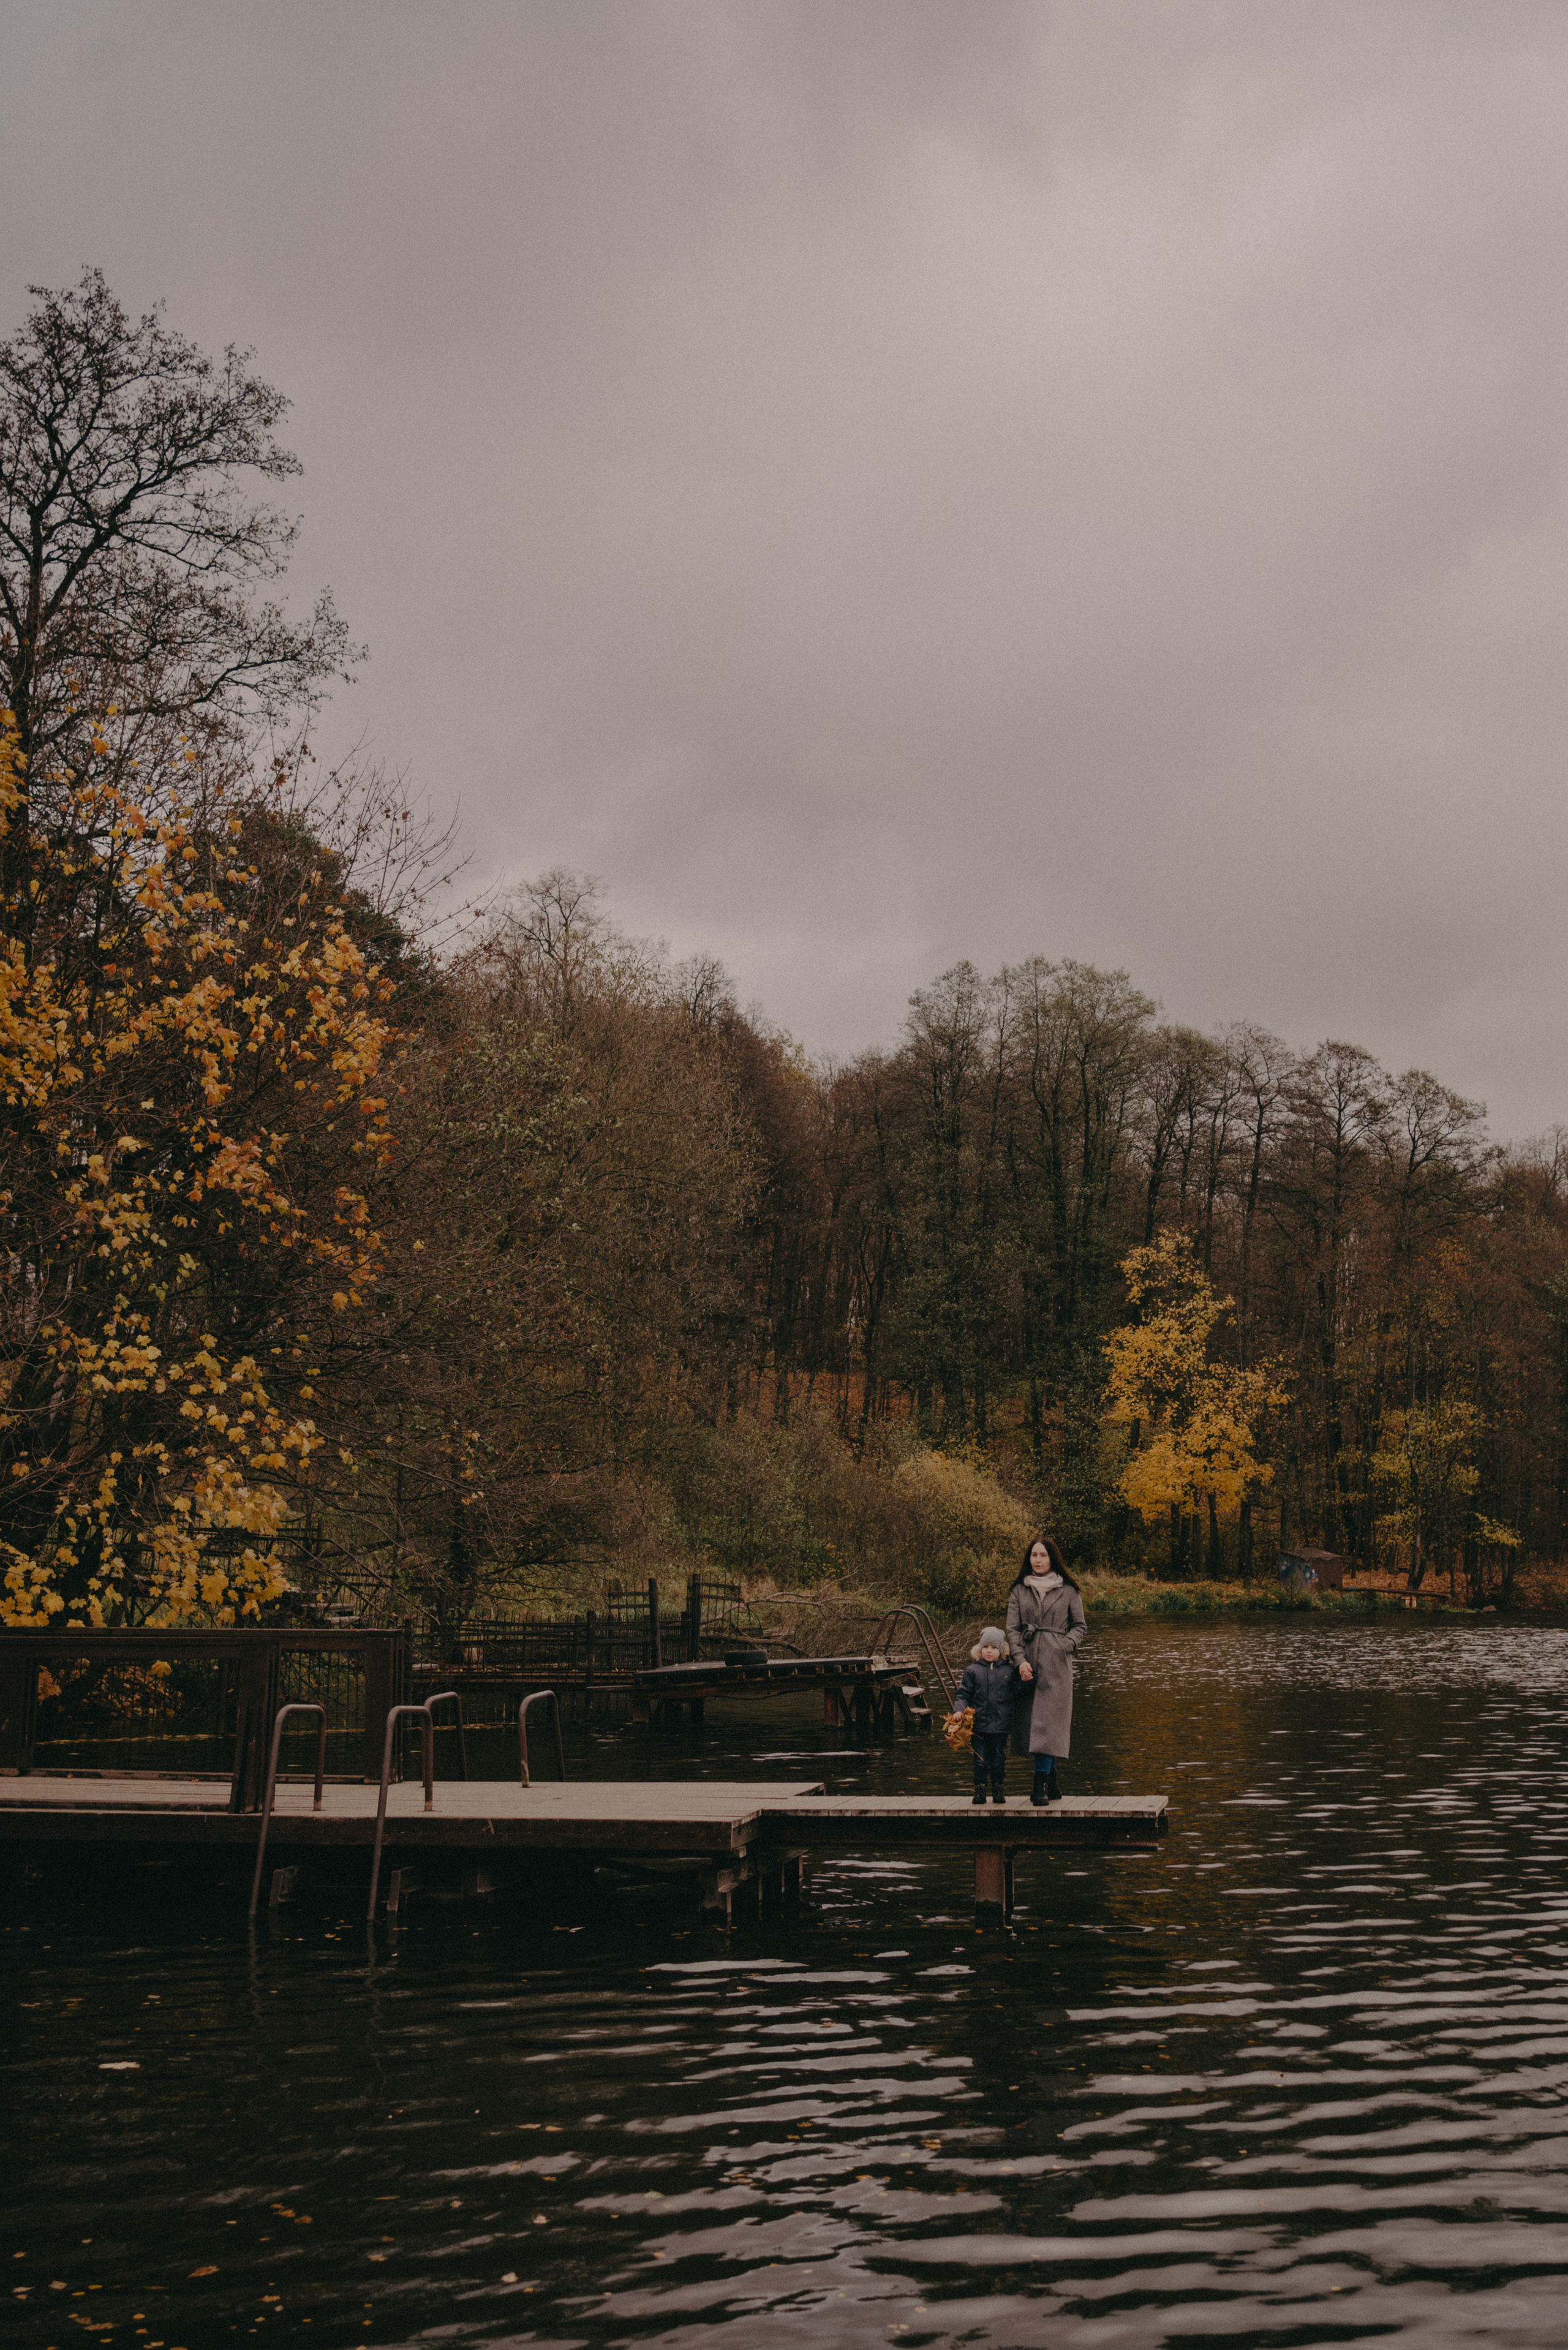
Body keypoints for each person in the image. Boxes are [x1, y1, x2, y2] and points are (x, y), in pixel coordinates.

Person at [1006, 1535, 1087, 1806]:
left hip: (1057, 1667)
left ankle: (1038, 1787)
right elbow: (1012, 1630)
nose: (1038, 1560)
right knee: (1034, 1726)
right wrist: (1020, 1661)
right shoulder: (1019, 1590)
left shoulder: (1069, 1591)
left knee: (1049, 1726)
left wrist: (1065, 1645)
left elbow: (1080, 1626)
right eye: (1034, 1555)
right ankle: (1052, 1782)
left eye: (1043, 1555)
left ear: (1053, 1558)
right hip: (1028, 1664)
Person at [950, 1629, 1017, 1806]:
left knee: (998, 1759)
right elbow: (963, 1694)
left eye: (994, 1648)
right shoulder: (972, 1671)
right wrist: (959, 1710)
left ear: (1001, 1650)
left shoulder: (1009, 1671)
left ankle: (998, 1789)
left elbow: (1018, 1691)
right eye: (986, 1647)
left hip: (1000, 1725)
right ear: (980, 1649)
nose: (989, 1651)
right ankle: (979, 1790)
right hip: (978, 1726)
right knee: (980, 1760)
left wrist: (1030, 1679)